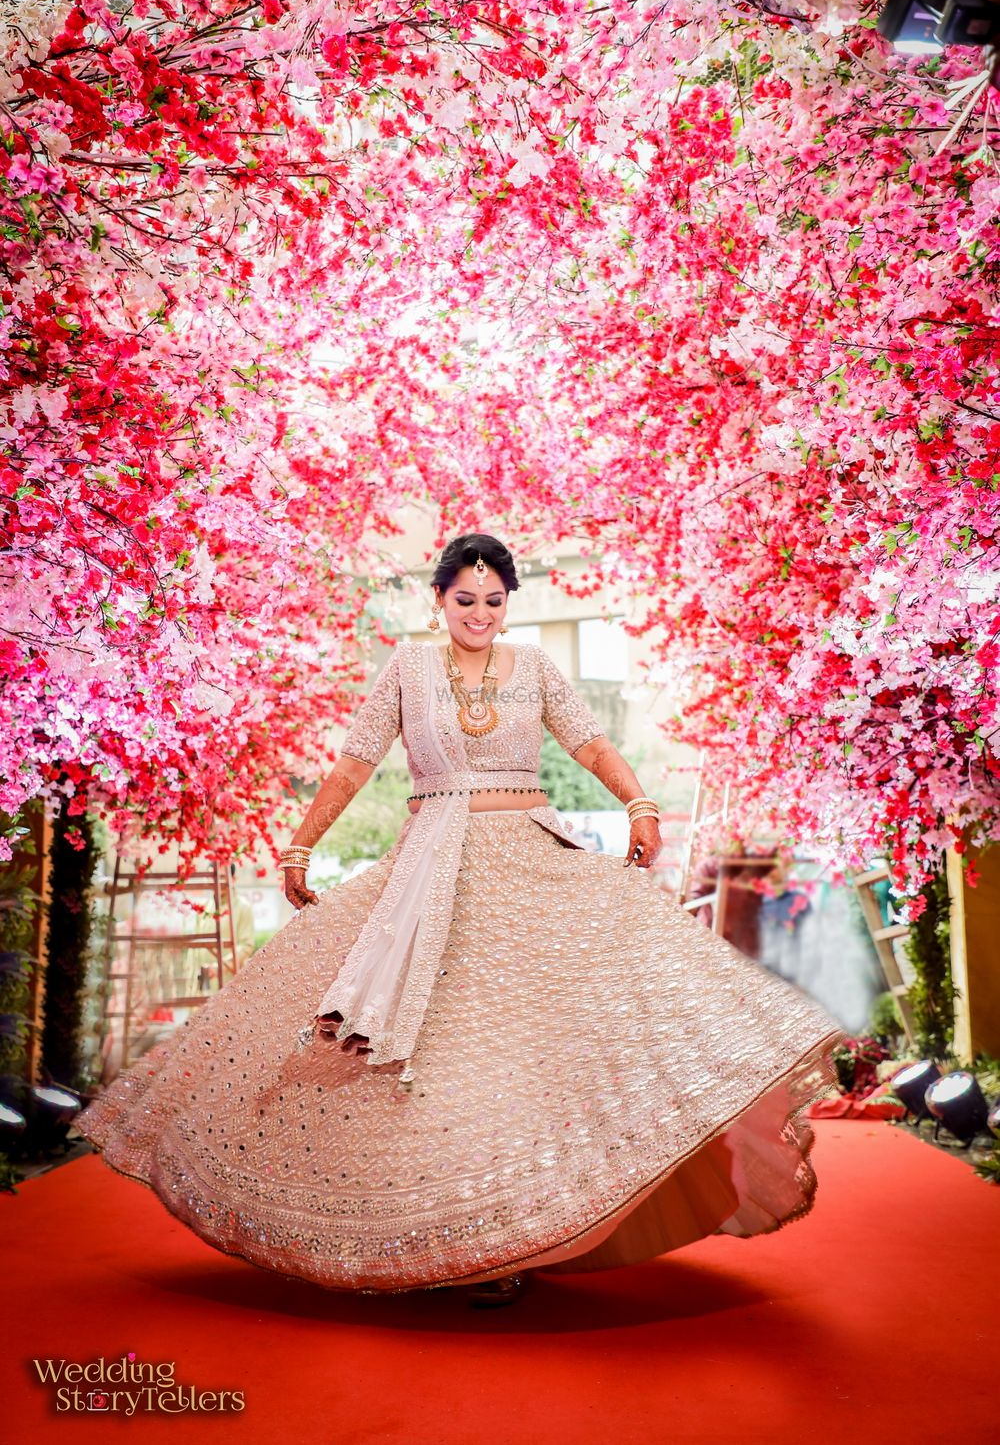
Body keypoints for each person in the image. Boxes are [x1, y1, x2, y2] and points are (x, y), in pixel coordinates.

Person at [74, 532, 847, 1308]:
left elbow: (588, 741)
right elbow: (354, 762)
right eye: (465, 599)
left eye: (495, 600)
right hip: (428, 877)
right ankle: (450, 1234)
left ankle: (519, 1226)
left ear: (510, 602)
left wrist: (638, 801)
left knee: (527, 1051)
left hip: (531, 863)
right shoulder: (408, 669)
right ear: (438, 599)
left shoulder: (536, 667)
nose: (480, 613)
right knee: (433, 1055)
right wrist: (302, 844)